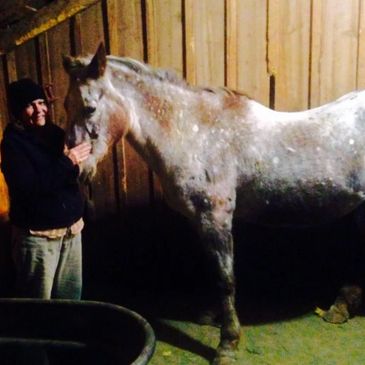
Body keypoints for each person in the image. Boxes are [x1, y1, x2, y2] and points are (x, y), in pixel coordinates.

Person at [0, 78, 91, 299]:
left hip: (71, 233)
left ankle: (66, 335)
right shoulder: (13, 144)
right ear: (17, 111)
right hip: (39, 240)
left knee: (70, 301)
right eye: (30, 105)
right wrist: (68, 162)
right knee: (39, 308)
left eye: (42, 102)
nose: (39, 109)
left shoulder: (53, 134)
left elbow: (66, 173)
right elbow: (29, 188)